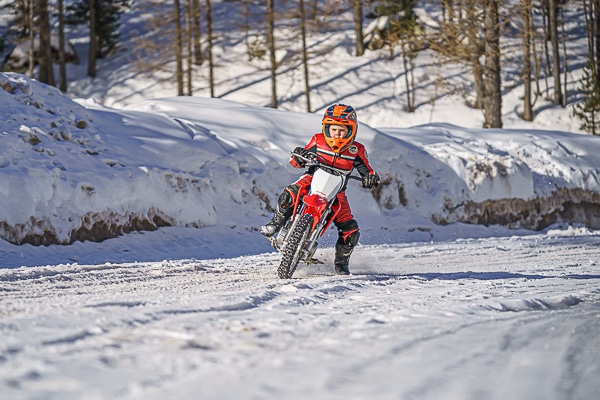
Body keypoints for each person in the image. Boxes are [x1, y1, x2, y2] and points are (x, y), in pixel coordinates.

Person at [260, 103, 380, 275]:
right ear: (326, 128)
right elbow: (296, 160)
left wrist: (370, 177)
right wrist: (299, 157)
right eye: (334, 129)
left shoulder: (356, 150)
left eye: (342, 130)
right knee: (291, 192)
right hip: (312, 177)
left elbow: (366, 169)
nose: (337, 134)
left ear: (351, 131)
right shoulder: (318, 140)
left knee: (350, 229)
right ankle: (275, 224)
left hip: (338, 190)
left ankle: (341, 263)